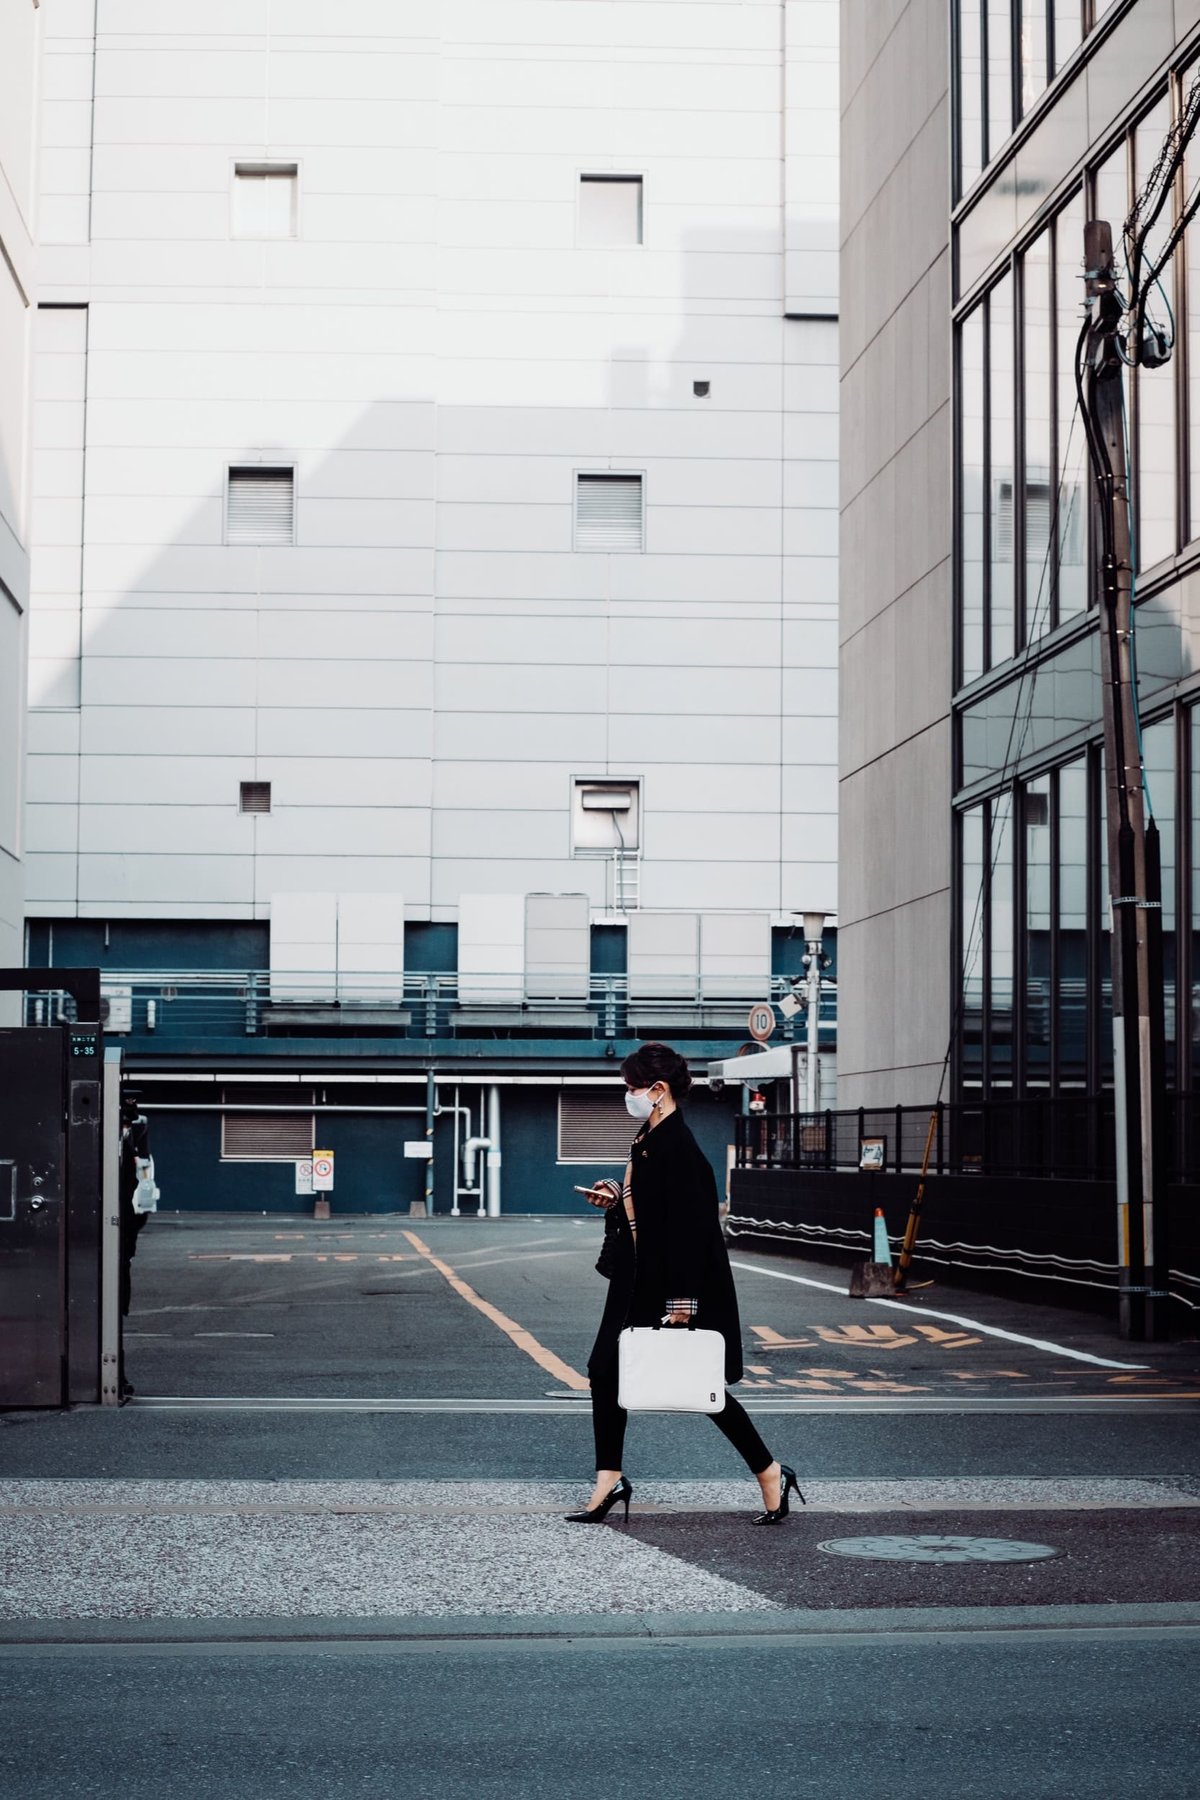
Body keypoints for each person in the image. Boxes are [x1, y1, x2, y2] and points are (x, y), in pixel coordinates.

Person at [566, 1042, 803, 1527]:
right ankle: (610, 1479)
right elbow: (652, 1209)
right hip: (638, 1278)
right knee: (604, 1372)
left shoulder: (678, 1147)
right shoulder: (650, 1137)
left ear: (658, 1090)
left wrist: (682, 1302)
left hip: (667, 1286)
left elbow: (692, 1231)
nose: (628, 1095)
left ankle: (770, 1471)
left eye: (632, 1087)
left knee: (698, 1384)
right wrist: (616, 1197)